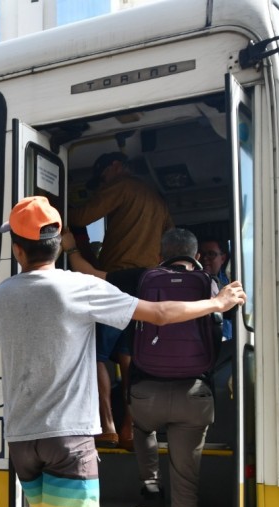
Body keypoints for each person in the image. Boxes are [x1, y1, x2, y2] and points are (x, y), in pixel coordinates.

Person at [0, 197, 244, 507]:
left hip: (23, 437)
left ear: (18, 250)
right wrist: (217, 302)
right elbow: (161, 313)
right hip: (68, 437)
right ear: (57, 242)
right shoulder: (79, 288)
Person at [63, 227, 238, 507]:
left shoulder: (143, 276)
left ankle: (151, 491)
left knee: (141, 426)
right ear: (193, 255)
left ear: (162, 252)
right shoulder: (213, 286)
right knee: (187, 490)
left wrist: (74, 247)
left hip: (146, 394)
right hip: (194, 396)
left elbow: (89, 274)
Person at [69, 152, 175, 449]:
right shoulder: (157, 198)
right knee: (129, 356)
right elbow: (169, 238)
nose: (102, 183)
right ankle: (130, 427)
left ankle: (107, 425)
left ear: (115, 166)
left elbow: (81, 217)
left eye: (102, 176)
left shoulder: (123, 185)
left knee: (96, 353)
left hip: (115, 281)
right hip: (147, 282)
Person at [199, 238, 232, 340]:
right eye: (202, 254)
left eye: (211, 254)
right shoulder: (188, 283)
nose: (205, 258)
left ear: (223, 258)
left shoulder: (229, 283)